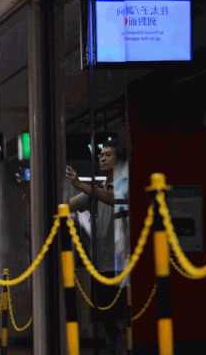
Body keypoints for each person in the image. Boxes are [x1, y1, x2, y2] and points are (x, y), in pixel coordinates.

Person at [66, 138, 129, 354]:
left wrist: (83, 185)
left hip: (123, 264)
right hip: (100, 266)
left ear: (120, 160)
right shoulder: (97, 189)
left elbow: (117, 199)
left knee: (123, 316)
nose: (102, 158)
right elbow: (68, 206)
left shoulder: (124, 185)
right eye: (101, 154)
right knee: (105, 319)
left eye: (108, 154)